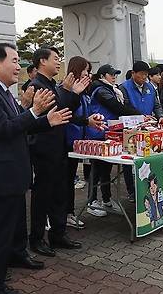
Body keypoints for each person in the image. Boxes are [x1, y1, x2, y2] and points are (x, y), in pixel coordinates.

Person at [0, 43, 72, 294]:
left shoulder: (3, 92)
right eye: (14, 61)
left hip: (13, 176)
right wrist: (35, 111)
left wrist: (45, 120)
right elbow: (4, 129)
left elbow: (19, 125)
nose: (19, 66)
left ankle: (14, 257)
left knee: (9, 230)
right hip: (0, 178)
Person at [28, 46, 89, 256]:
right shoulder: (36, 86)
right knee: (43, 195)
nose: (58, 62)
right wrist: (70, 93)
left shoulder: (52, 84)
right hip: (44, 149)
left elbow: (65, 112)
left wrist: (74, 94)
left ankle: (58, 233)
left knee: (59, 193)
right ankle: (36, 239)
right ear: (42, 61)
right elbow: (45, 117)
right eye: (55, 58)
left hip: (58, 147)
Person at [87, 64, 139, 215]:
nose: (114, 76)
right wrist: (139, 115)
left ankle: (106, 200)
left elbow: (121, 106)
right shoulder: (101, 90)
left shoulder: (113, 89)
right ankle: (91, 202)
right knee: (96, 169)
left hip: (110, 133)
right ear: (103, 76)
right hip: (98, 133)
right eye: (111, 74)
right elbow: (117, 107)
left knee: (107, 169)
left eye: (115, 73)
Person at [62, 56, 105, 229]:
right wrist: (86, 121)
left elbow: (81, 116)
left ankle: (68, 213)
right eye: (86, 70)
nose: (88, 74)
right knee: (64, 181)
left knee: (69, 180)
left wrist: (90, 119)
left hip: (78, 143)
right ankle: (63, 214)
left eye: (89, 71)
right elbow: (68, 115)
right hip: (67, 142)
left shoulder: (82, 93)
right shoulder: (66, 91)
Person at [120, 60, 163, 200]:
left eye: (146, 75)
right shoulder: (124, 88)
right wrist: (140, 117)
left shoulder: (150, 87)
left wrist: (161, 117)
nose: (144, 78)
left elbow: (157, 105)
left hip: (149, 129)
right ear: (133, 73)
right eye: (142, 75)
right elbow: (124, 107)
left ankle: (148, 187)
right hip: (130, 130)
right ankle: (132, 191)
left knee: (149, 157)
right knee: (130, 161)